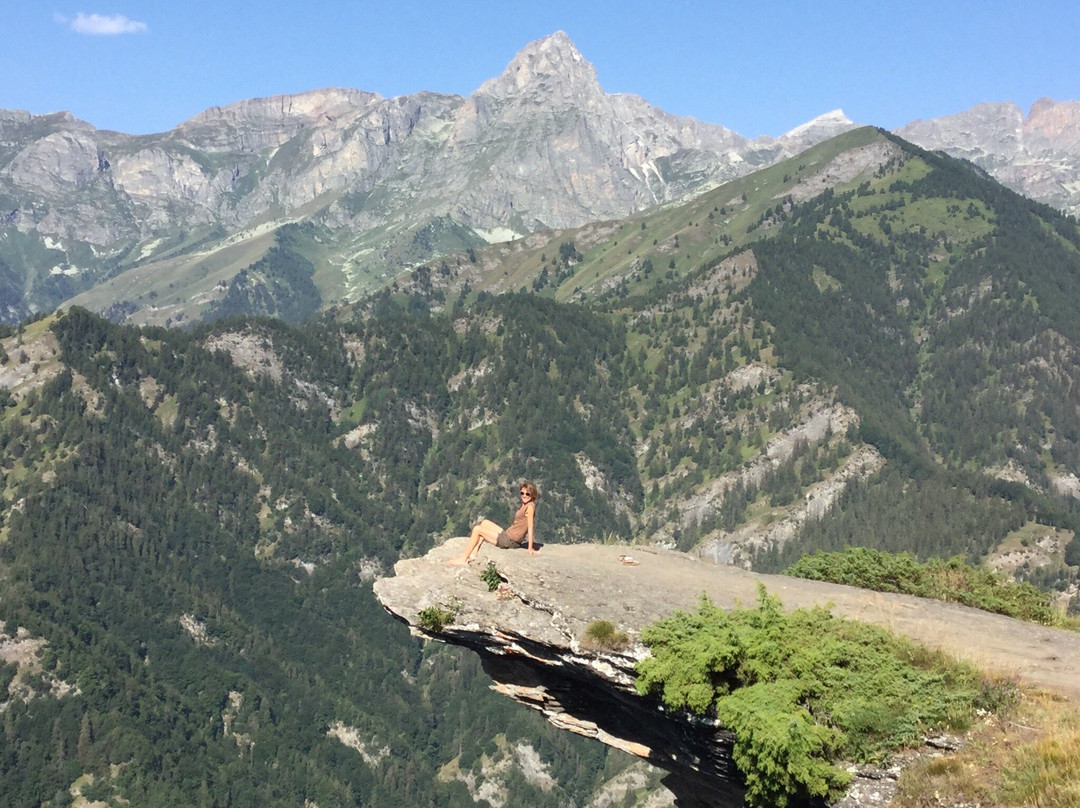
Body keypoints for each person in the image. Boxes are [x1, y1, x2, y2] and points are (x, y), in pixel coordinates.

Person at [447, 482, 539, 565]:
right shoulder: (524, 504)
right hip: (507, 535)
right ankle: (473, 554)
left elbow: (530, 527)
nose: (524, 495)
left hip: (510, 541)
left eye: (527, 494)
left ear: (532, 495)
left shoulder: (530, 507)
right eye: (522, 493)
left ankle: (463, 559)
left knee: (477, 530)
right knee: (484, 523)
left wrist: (530, 548)